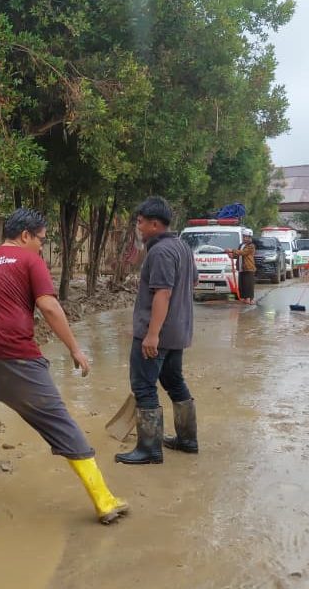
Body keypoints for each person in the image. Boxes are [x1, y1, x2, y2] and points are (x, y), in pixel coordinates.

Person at [0, 208, 127, 525]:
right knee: (59, 423)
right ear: (25, 236)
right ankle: (104, 501)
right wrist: (75, 349)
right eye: (41, 240)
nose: (42, 246)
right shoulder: (31, 261)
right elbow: (48, 305)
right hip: (19, 359)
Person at [117, 197, 199, 465]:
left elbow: (162, 294)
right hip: (178, 332)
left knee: (143, 385)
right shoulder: (182, 247)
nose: (138, 227)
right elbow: (192, 281)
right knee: (174, 382)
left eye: (140, 222)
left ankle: (149, 449)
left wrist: (152, 334)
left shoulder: (160, 252)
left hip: (158, 334)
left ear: (154, 224)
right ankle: (187, 440)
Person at [224, 229, 256, 304]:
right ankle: (244, 298)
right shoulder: (241, 245)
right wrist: (232, 255)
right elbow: (238, 255)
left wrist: (232, 250)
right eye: (244, 237)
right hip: (241, 268)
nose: (245, 238)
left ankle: (250, 299)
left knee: (249, 284)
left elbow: (243, 253)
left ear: (250, 237)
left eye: (247, 237)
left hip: (249, 268)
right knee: (242, 284)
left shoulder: (251, 246)